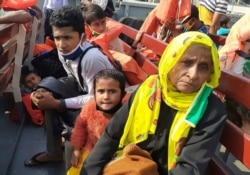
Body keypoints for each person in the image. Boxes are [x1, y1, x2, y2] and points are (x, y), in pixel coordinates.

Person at [81, 31, 227, 175]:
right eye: (187, 62)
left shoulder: (210, 110)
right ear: (170, 61)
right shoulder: (148, 89)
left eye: (203, 67)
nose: (193, 74)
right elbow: (112, 135)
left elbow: (189, 168)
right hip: (132, 164)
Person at [24, 5, 116, 168]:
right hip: (87, 91)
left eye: (67, 38)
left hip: (109, 107)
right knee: (47, 95)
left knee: (69, 128)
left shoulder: (91, 59)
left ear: (82, 38)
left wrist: (60, 103)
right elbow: (73, 78)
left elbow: (99, 98)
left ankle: (72, 160)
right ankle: (53, 152)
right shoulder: (63, 52)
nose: (61, 44)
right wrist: (45, 91)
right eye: (57, 38)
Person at [67, 69, 126, 175]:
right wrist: (76, 149)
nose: (106, 97)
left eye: (112, 91)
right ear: (94, 93)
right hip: (92, 149)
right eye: (101, 91)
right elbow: (80, 129)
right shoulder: (89, 107)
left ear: (122, 93)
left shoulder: (127, 111)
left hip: (118, 155)